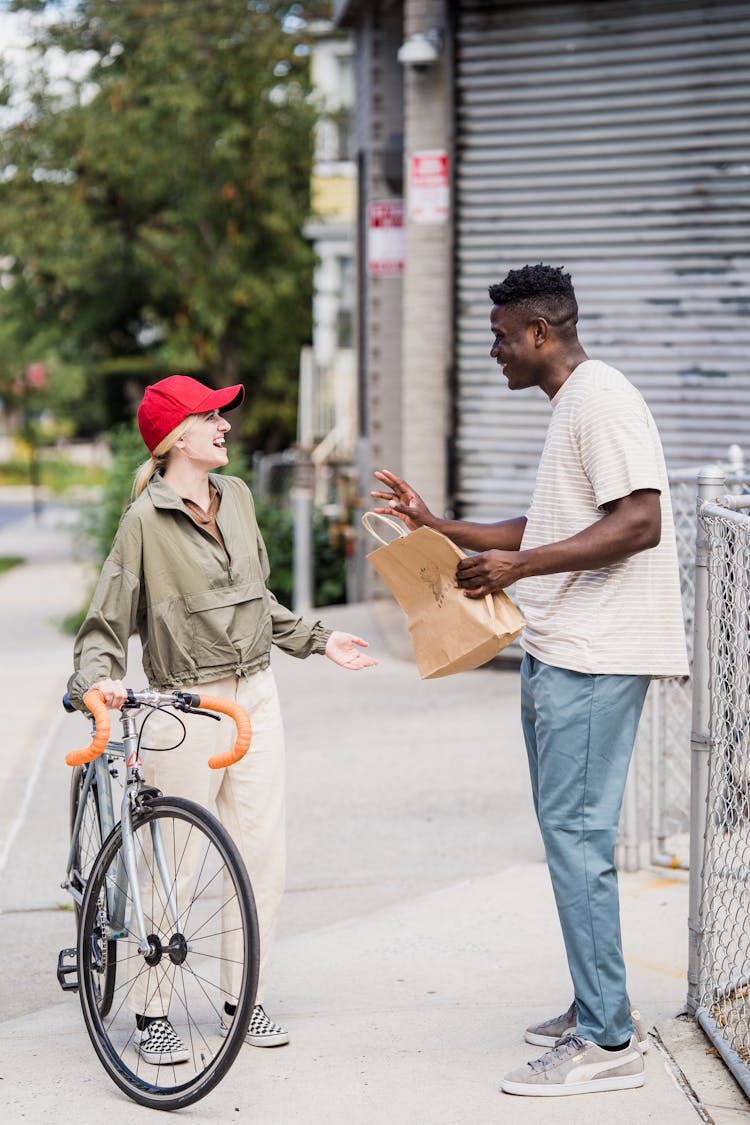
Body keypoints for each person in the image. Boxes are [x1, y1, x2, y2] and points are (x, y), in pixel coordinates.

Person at [372, 263, 688, 1097]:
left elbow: (641, 521)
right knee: (568, 839)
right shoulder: (573, 406)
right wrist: (439, 525)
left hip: (595, 653)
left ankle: (609, 1040)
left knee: (578, 842)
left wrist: (521, 565)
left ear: (540, 334)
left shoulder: (603, 399)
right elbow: (545, 526)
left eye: (503, 336)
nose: (494, 351)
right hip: (564, 647)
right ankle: (596, 1002)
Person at [68, 374, 377, 1064]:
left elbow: (254, 597)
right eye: (212, 417)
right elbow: (104, 622)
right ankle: (153, 1010)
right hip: (187, 703)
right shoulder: (144, 522)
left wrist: (320, 639)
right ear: (178, 436)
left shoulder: (235, 497)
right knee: (172, 863)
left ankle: (244, 998)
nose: (226, 426)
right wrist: (97, 680)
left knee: (262, 851)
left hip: (256, 695)